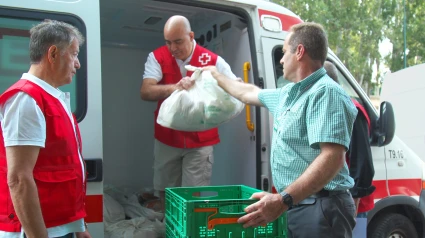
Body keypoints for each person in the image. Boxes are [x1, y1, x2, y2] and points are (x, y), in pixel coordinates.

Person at [203, 22, 358, 237]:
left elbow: (333, 157)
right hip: (297, 204)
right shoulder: (288, 94)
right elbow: (247, 92)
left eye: (284, 52)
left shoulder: (326, 93)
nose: (282, 59)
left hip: (321, 207)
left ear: (300, 52)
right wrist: (215, 75)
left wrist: (284, 199)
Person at [0, 20, 91, 238]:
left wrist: (80, 227)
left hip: (60, 226)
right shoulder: (26, 100)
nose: (78, 64)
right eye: (74, 54)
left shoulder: (52, 98)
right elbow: (19, 179)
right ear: (52, 54)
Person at [140, 15, 237, 211]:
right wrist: (175, 87)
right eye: (168, 42)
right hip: (167, 139)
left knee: (192, 198)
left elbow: (234, 87)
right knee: (166, 193)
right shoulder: (157, 57)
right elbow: (146, 91)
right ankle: (170, 228)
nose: (173, 48)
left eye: (178, 41)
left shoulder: (213, 60)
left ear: (191, 36)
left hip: (200, 143)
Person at [324, 61, 375, 218]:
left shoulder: (351, 109)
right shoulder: (328, 106)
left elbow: (362, 161)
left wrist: (354, 200)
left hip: (350, 202)